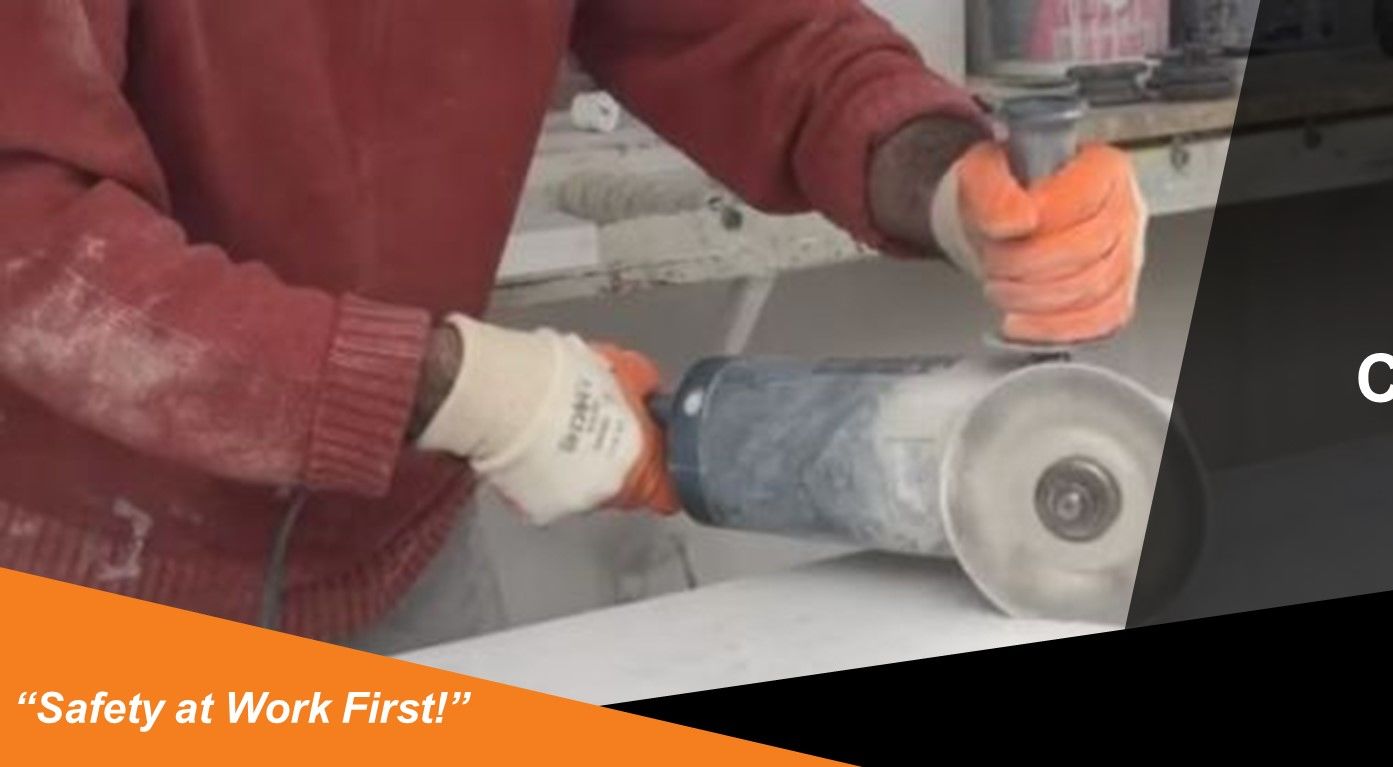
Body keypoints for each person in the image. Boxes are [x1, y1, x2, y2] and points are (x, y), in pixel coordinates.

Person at [0, 2, 1146, 651]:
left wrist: (940, 177)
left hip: (398, 542)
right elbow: (29, 244)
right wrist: (475, 391)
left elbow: (745, 29)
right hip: (85, 575)